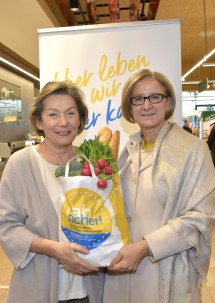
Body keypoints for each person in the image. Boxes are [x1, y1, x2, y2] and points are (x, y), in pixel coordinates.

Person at [103, 69, 215, 303]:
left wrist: (145, 247)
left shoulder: (193, 150)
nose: (146, 105)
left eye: (155, 97)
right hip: (122, 268)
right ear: (130, 107)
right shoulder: (126, 150)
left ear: (168, 102)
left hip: (166, 267)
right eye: (138, 98)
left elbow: (201, 218)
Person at [0, 81, 100, 303]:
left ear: (80, 120)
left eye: (71, 113)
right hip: (38, 286)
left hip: (88, 286)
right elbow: (5, 224)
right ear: (39, 121)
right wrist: (53, 249)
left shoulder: (91, 162)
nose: (63, 122)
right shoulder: (21, 164)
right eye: (53, 114)